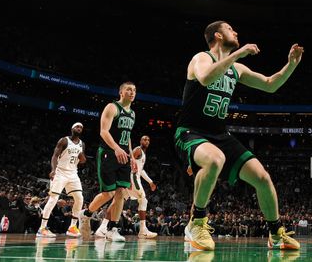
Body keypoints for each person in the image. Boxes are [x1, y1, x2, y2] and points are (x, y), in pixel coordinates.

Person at [177, 21, 303, 251]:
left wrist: (291, 65)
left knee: (262, 178)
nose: (235, 32)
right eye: (230, 28)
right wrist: (238, 53)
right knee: (215, 159)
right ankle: (196, 223)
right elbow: (205, 78)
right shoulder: (201, 58)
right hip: (191, 132)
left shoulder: (237, 68)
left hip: (220, 134)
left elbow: (269, 84)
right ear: (217, 35)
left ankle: (276, 235)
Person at [79, 82, 137, 242]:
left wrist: (131, 156)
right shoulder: (112, 107)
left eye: (134, 90)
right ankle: (86, 214)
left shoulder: (132, 113)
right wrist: (117, 148)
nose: (132, 92)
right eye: (129, 90)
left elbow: (128, 136)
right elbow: (104, 131)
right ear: (121, 92)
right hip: (109, 154)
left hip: (124, 156)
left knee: (121, 193)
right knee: (108, 193)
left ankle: (112, 229)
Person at [38, 122, 86, 237]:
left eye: (81, 127)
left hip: (73, 173)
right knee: (53, 199)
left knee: (79, 198)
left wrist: (82, 157)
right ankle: (42, 228)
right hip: (60, 172)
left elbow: (82, 160)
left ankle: (72, 227)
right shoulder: (64, 140)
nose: (79, 128)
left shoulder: (82, 144)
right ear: (72, 128)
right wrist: (53, 170)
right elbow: (54, 156)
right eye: (77, 127)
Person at [129, 136, 159, 238]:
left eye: (148, 140)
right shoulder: (137, 150)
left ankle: (105, 226)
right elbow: (129, 163)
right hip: (133, 178)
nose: (147, 141)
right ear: (140, 141)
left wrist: (150, 182)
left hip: (135, 177)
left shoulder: (143, 153)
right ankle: (142, 230)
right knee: (143, 200)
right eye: (144, 139)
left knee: (119, 200)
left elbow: (141, 170)